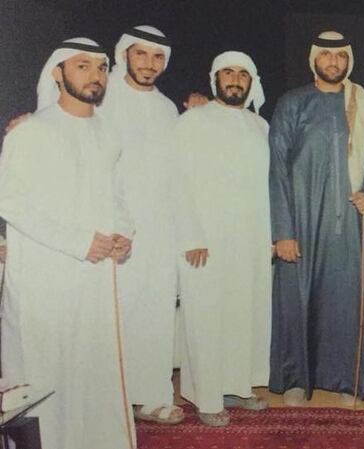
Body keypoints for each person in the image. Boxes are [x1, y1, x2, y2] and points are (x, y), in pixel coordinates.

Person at [0, 37, 135, 449]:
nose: (94, 74)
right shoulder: (31, 131)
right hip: (45, 277)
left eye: (100, 67)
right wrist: (78, 242)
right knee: (46, 375)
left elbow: (114, 196)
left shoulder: (108, 133)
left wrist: (124, 233)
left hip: (95, 281)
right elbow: (10, 200)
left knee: (92, 375)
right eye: (82, 66)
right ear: (57, 72)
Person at [268, 31, 364, 405]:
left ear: (349, 61)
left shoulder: (362, 105)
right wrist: (283, 230)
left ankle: (346, 379)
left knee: (345, 299)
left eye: (340, 57)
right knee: (295, 298)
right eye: (327, 56)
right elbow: (277, 168)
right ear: (314, 59)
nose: (334, 62)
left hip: (346, 221)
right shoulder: (293, 103)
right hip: (299, 220)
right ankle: (296, 379)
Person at [173, 51, 271, 426]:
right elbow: (178, 181)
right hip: (205, 240)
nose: (235, 79)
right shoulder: (193, 121)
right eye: (227, 73)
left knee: (242, 314)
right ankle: (207, 398)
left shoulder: (258, 126)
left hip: (249, 240)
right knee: (205, 317)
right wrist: (191, 234)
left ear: (251, 82)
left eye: (243, 74)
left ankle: (235, 387)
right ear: (215, 78)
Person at [103, 25, 184, 425]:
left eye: (158, 57)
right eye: (142, 55)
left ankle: (151, 395)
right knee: (114, 315)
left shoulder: (168, 108)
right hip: (113, 229)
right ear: (124, 55)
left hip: (160, 229)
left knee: (155, 314)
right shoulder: (102, 98)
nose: (150, 64)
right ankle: (110, 400)